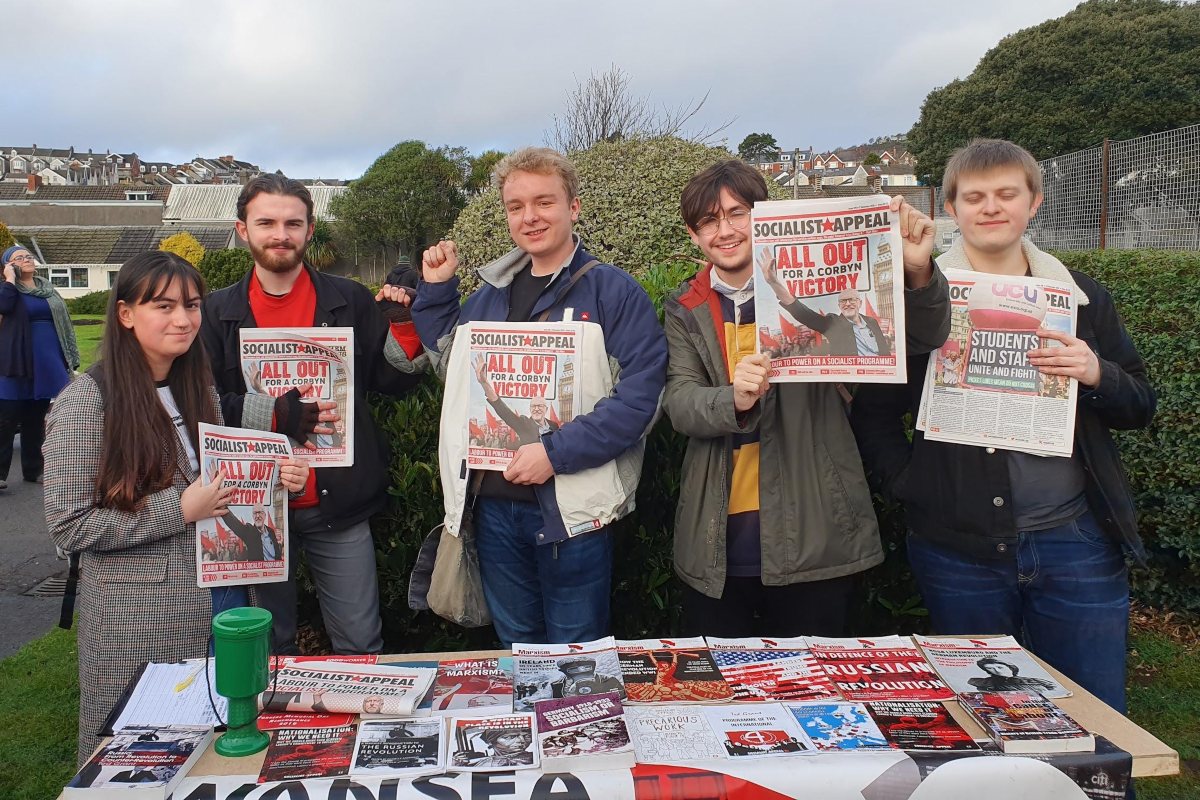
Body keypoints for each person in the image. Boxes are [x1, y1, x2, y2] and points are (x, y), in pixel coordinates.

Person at [851, 139, 1155, 713]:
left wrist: (1097, 373)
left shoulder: (1083, 299)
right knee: (987, 720)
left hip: (1076, 543)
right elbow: (872, 413)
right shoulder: (911, 301)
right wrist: (908, 484)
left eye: (1006, 194)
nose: (991, 208)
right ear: (952, 209)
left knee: (1095, 720)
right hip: (957, 548)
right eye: (975, 197)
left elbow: (1140, 404)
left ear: (1034, 203)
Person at [662, 159, 950, 638]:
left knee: (817, 698)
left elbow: (920, 338)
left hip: (816, 532)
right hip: (715, 541)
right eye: (709, 221)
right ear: (694, 235)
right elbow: (678, 400)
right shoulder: (685, 307)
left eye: (738, 213)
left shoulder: (824, 291)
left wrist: (918, 273)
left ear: (764, 217)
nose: (726, 230)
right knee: (725, 697)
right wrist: (730, 398)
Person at [43, 251, 308, 765]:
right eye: (163, 306)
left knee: (220, 739)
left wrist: (279, 478)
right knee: (142, 751)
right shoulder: (85, 403)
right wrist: (179, 508)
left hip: (226, 591)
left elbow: (217, 483)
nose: (183, 319)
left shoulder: (196, 389)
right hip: (141, 613)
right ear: (125, 314)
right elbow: (69, 525)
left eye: (191, 305)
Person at [411, 147, 667, 646]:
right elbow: (454, 369)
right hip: (492, 510)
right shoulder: (488, 296)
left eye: (544, 202)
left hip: (574, 516)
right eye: (516, 206)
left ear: (573, 207)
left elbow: (641, 401)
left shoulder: (615, 293)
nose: (530, 217)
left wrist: (554, 454)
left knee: (578, 655)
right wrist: (439, 291)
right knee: (517, 649)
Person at [201, 174, 427, 655]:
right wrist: (275, 413)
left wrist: (404, 324)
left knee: (360, 642)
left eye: (292, 223)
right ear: (243, 229)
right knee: (264, 644)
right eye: (266, 222)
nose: (280, 234)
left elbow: (396, 381)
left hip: (336, 506)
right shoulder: (215, 311)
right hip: (252, 503)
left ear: (309, 229)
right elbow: (202, 407)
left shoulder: (349, 301)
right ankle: (263, 731)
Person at [0, 245, 80, 489]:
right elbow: (3, 307)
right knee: (7, 417)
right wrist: (10, 279)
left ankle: (33, 470)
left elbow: (62, 321)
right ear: (9, 264)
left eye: (28, 256)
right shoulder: (8, 289)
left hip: (46, 360)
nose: (26, 259)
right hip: (15, 360)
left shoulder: (47, 288)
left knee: (36, 417)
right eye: (19, 257)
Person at [761, 278, 891, 357]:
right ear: (839, 306)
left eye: (851, 300)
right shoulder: (833, 323)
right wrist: (774, 284)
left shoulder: (872, 322)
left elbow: (884, 350)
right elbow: (805, 315)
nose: (847, 304)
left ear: (860, 303)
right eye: (843, 301)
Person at [473, 354, 560, 445]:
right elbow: (504, 411)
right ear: (530, 409)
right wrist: (484, 383)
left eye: (540, 406)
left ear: (546, 409)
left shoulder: (554, 426)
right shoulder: (524, 424)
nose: (536, 409)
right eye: (533, 406)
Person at [967, 657, 1058, 694]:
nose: (997, 670)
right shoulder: (986, 682)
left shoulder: (1034, 680)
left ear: (1009, 667)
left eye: (999, 666)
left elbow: (1052, 688)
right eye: (990, 668)